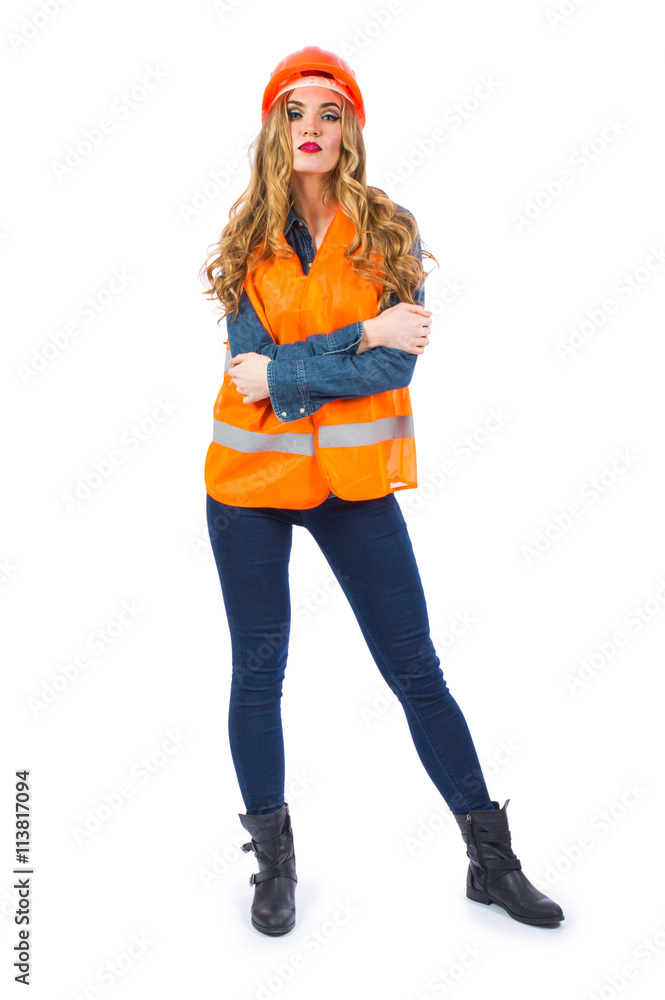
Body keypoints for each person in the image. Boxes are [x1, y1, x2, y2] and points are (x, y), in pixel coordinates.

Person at [200, 46, 564, 937]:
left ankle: (491, 861)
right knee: (257, 673)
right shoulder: (245, 237)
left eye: (328, 113)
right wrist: (363, 333)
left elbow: (396, 367)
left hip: (353, 485)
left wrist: (303, 368)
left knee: (415, 671)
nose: (311, 128)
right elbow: (250, 376)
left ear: (349, 130)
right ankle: (274, 863)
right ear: (274, 130)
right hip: (249, 482)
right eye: (294, 112)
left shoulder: (388, 231)